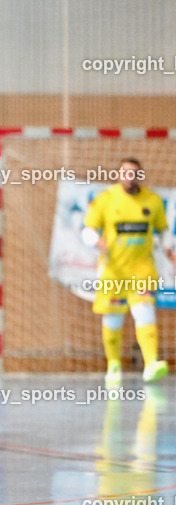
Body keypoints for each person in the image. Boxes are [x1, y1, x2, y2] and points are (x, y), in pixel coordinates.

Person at [82, 158, 174, 387]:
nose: (130, 176)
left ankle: (151, 363)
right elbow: (87, 230)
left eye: (134, 173)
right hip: (114, 272)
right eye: (125, 172)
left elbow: (162, 230)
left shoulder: (152, 201)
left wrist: (168, 250)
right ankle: (113, 365)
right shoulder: (105, 200)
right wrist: (97, 242)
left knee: (144, 312)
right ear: (118, 175)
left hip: (142, 270)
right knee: (113, 318)